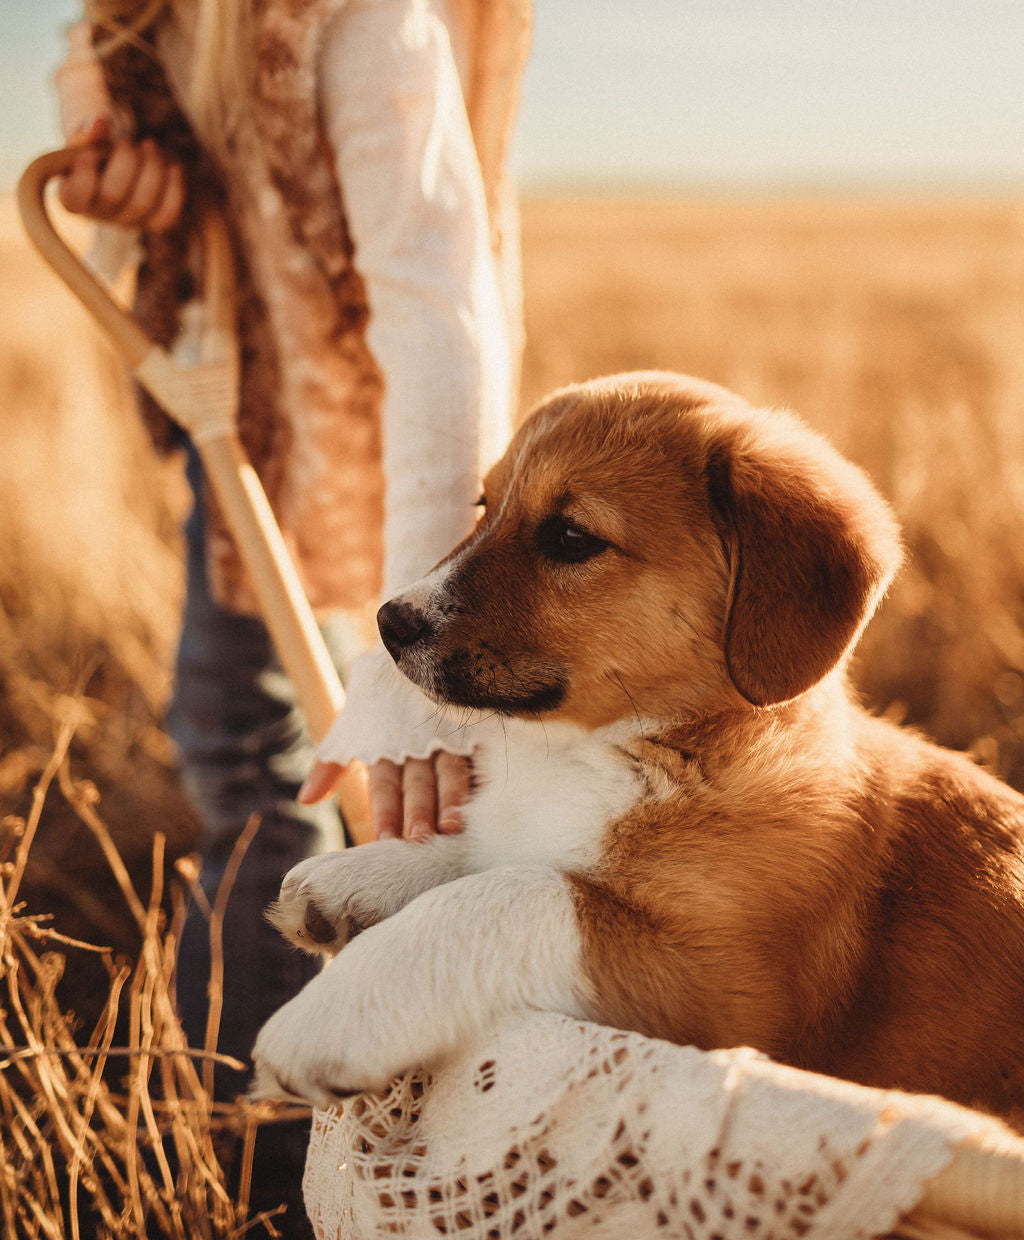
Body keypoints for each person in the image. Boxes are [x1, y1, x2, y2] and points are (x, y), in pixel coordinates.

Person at [54, 0, 530, 1232]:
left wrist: (426, 656)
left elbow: (441, 319)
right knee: (233, 736)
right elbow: (93, 84)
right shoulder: (150, 26)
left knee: (309, 792)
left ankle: (277, 1163)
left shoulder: (364, 23)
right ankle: (289, 1131)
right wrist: (119, 166)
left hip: (383, 464)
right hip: (247, 426)